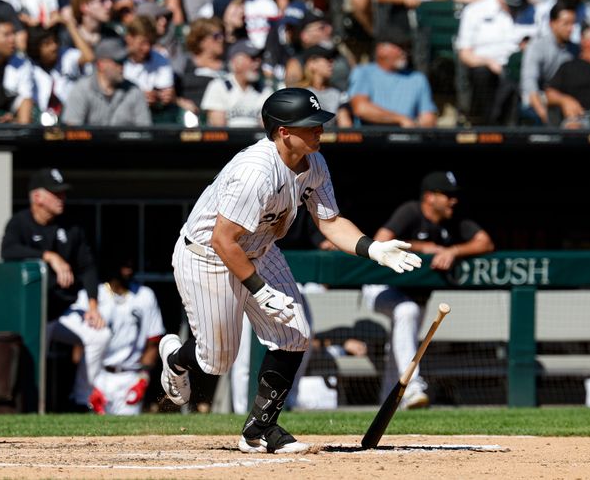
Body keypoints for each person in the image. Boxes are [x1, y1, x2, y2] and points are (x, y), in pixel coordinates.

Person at [158, 87, 423, 453]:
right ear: (284, 132)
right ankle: (174, 358)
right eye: (310, 124)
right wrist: (260, 290)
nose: (320, 130)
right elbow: (223, 240)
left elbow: (329, 222)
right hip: (208, 256)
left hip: (259, 248)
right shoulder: (256, 171)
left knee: (295, 333)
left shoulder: (314, 162)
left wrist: (372, 248)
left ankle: (259, 430)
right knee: (216, 361)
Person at [362, 170, 494, 409]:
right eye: (447, 195)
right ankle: (412, 386)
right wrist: (424, 247)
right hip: (382, 287)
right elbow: (380, 241)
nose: (453, 200)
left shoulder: (454, 219)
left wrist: (452, 251)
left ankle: (387, 408)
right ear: (430, 197)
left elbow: (485, 242)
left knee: (399, 349)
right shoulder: (410, 212)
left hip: (416, 294)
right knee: (406, 311)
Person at [0, 168, 111, 410]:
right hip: (31, 315)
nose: (62, 198)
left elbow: (88, 267)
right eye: (56, 193)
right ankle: (29, 405)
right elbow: (8, 253)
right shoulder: (20, 224)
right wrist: (47, 256)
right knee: (32, 359)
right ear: (37, 197)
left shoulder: (71, 227)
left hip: (62, 310)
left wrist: (93, 305)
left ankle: (81, 400)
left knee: (99, 335)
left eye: (62, 193)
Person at [84, 258, 165, 415]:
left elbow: (153, 342)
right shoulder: (95, 295)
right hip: (99, 375)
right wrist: (88, 385)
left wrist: (143, 379)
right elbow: (80, 347)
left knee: (128, 435)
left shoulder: (145, 296)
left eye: (130, 264)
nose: (128, 269)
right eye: (123, 264)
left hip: (131, 376)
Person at [455, 0, 530, 126]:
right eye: (510, 4)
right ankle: (486, 126)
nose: (513, 9)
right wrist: (489, 62)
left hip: (519, 66)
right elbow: (465, 53)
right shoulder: (475, 11)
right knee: (485, 75)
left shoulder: (530, 12)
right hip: (487, 68)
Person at [348, 28, 438, 127]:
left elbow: (428, 118)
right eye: (400, 46)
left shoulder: (418, 78)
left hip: (407, 138)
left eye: (407, 46)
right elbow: (361, 108)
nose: (404, 51)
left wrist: (415, 124)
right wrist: (400, 119)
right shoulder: (363, 72)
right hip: (372, 138)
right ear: (381, 49)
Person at [61, 37, 152, 126]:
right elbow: (72, 132)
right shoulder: (82, 90)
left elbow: (145, 132)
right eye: (117, 61)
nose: (122, 66)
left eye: (123, 61)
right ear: (101, 64)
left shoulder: (133, 91)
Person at [520, 0, 578, 125]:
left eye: (573, 24)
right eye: (566, 24)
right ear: (552, 24)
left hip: (565, 100)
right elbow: (530, 86)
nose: (570, 29)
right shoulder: (537, 47)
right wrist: (544, 116)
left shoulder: (574, 49)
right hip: (539, 101)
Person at [200, 39, 273, 127]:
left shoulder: (265, 90)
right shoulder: (219, 86)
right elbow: (219, 128)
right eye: (252, 58)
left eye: (259, 58)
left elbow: (266, 128)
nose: (257, 63)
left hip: (257, 140)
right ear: (236, 62)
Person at [0, 17, 34, 124]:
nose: (12, 39)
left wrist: (13, 117)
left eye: (13, 34)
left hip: (10, 113)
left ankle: (23, 136)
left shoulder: (23, 63)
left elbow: (25, 96)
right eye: (6, 35)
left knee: (26, 102)